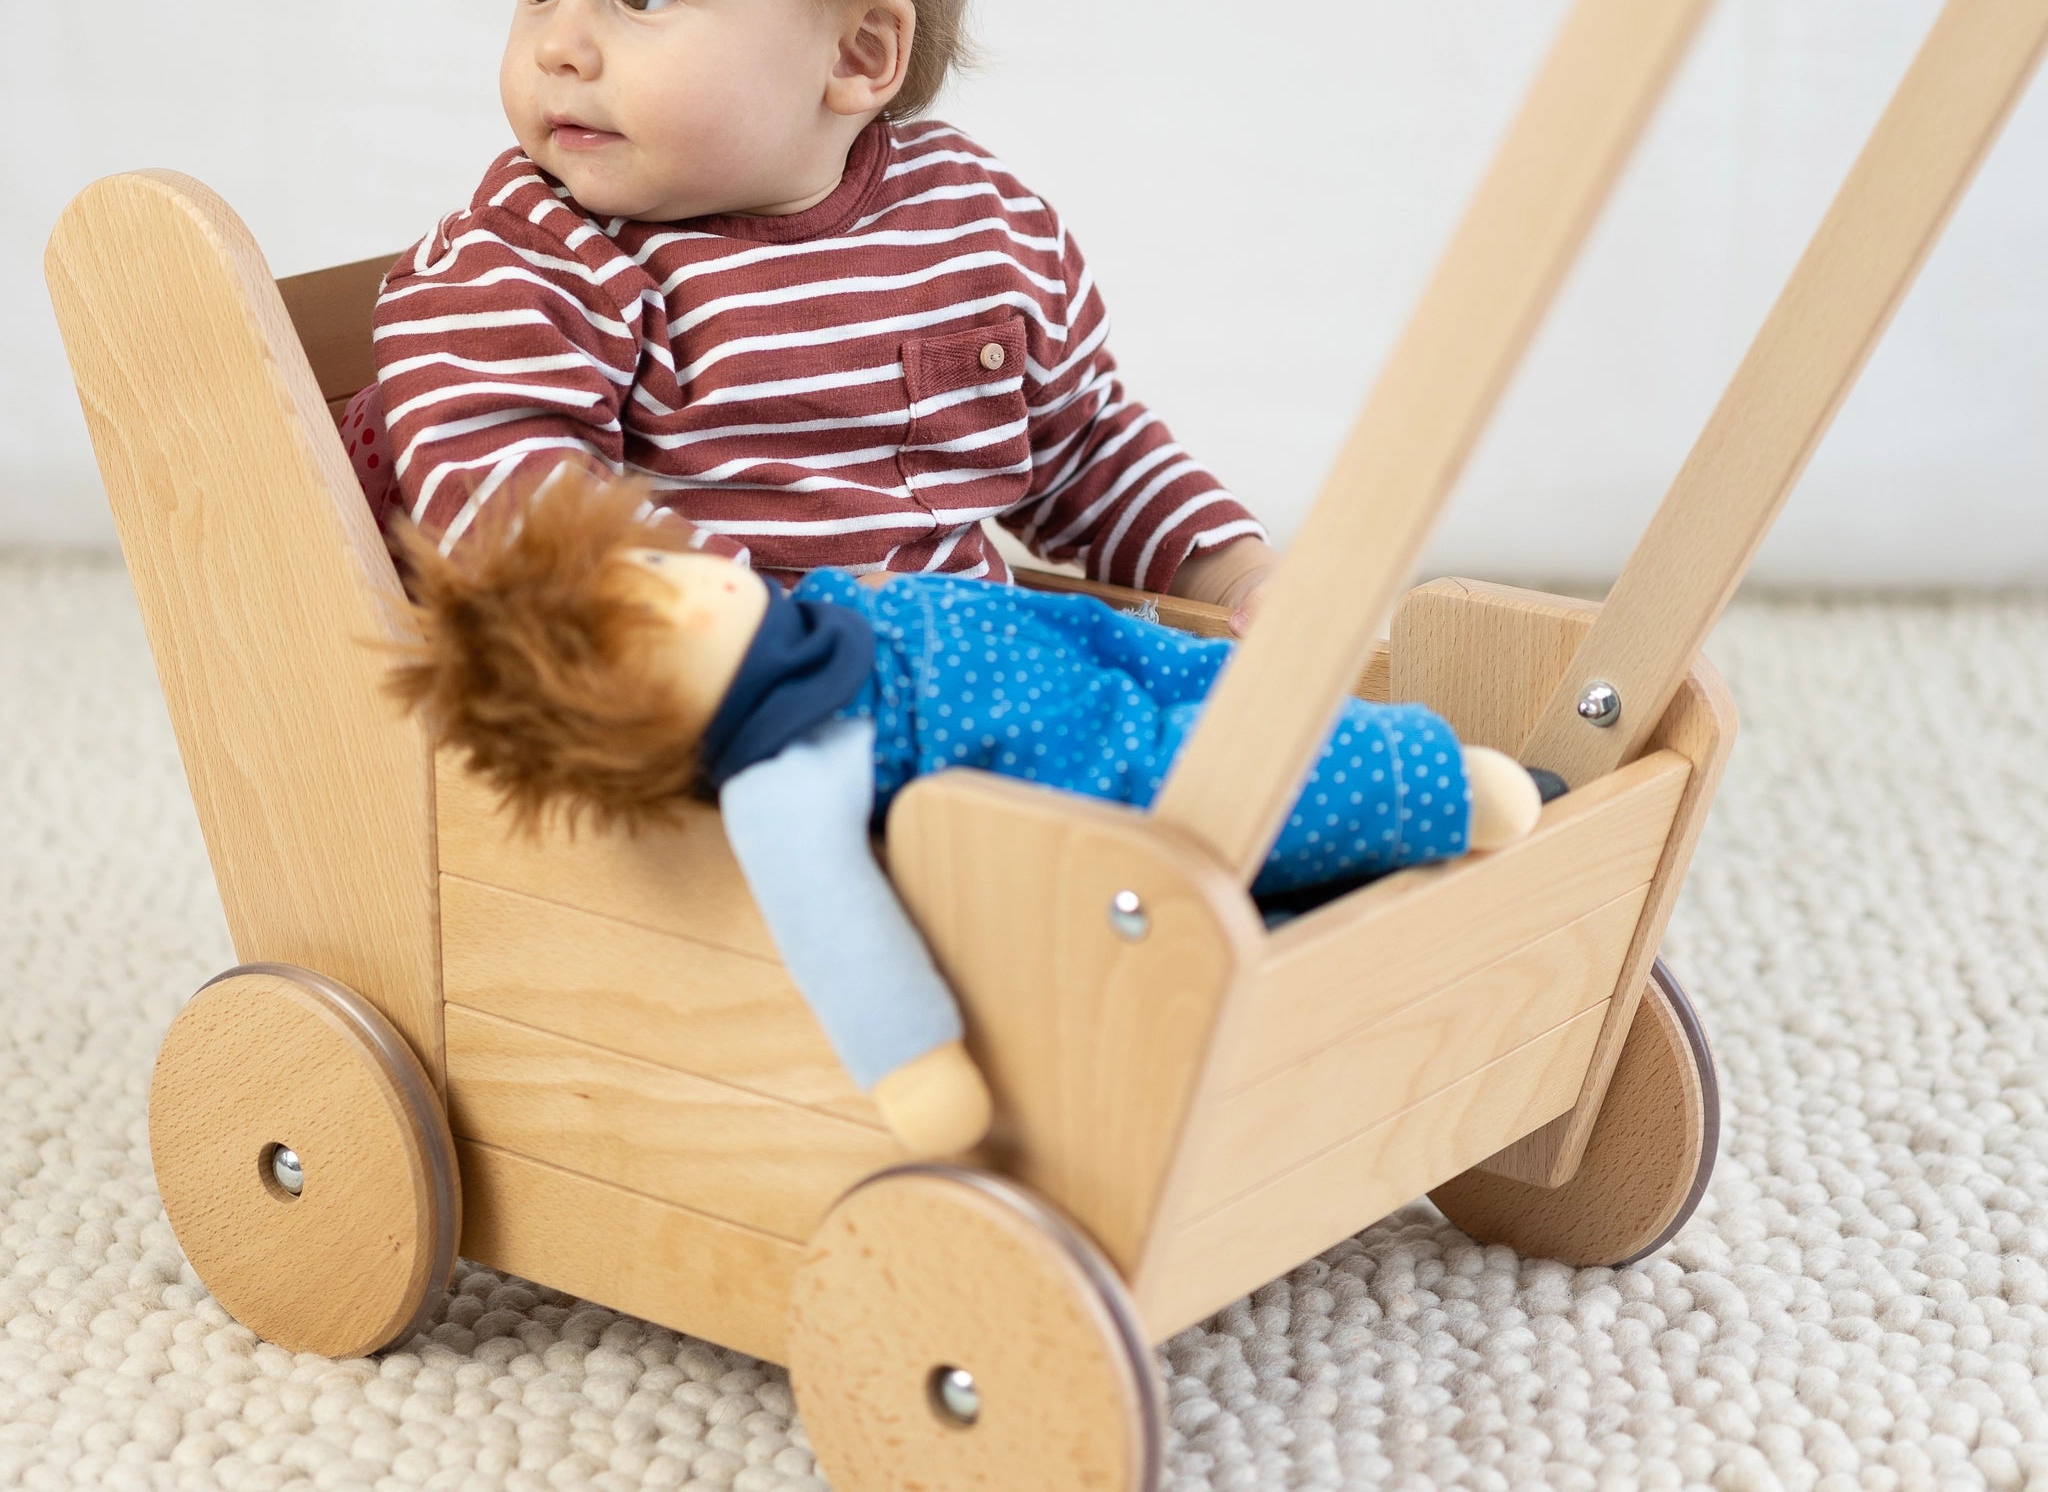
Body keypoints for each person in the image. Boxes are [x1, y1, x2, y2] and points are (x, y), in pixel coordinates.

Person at [354, 0, 1277, 632]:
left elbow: (1084, 448)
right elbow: (510, 501)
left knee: (1212, 714)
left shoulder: (974, 230)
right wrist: (764, 642)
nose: (557, 44)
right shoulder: (535, 257)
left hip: (961, 684)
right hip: (739, 723)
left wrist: (1233, 577)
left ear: (854, 52)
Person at [391, 473, 1548, 1160]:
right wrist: (913, 1065)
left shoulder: (816, 608)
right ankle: (1446, 793)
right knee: (1236, 777)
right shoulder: (781, 773)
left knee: (1244, 684)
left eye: (647, 568)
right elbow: (832, 922)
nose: (685, 579)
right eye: (652, 623)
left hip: (1103, 649)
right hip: (1105, 774)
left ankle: (1365, 858)